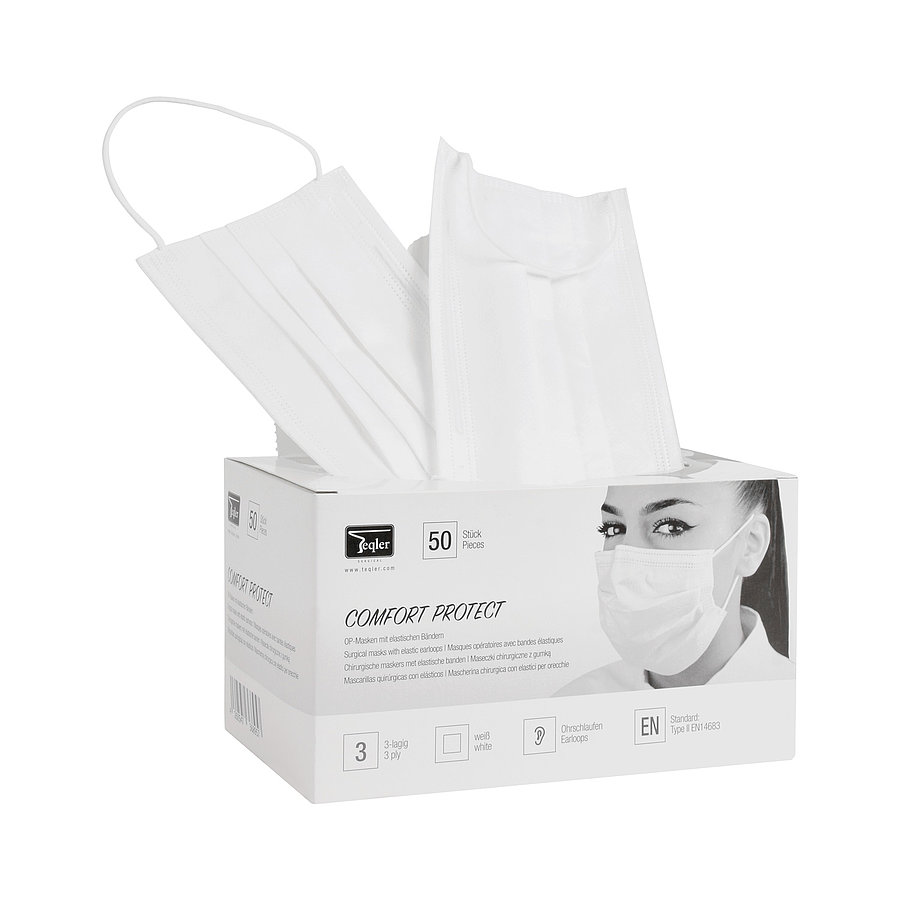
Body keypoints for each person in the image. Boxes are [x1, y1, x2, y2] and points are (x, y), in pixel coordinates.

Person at [558, 479, 794, 694]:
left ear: (751, 544)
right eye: (614, 529)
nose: (625, 566)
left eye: (671, 526)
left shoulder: (794, 699)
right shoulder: (575, 702)